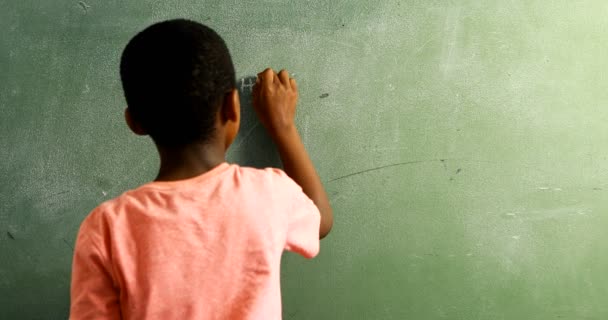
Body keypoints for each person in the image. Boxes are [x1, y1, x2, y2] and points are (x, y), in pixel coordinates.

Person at [69, 19, 333, 320]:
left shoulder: (106, 228)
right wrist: (283, 126)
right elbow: (320, 219)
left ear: (134, 123)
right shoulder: (268, 194)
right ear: (232, 108)